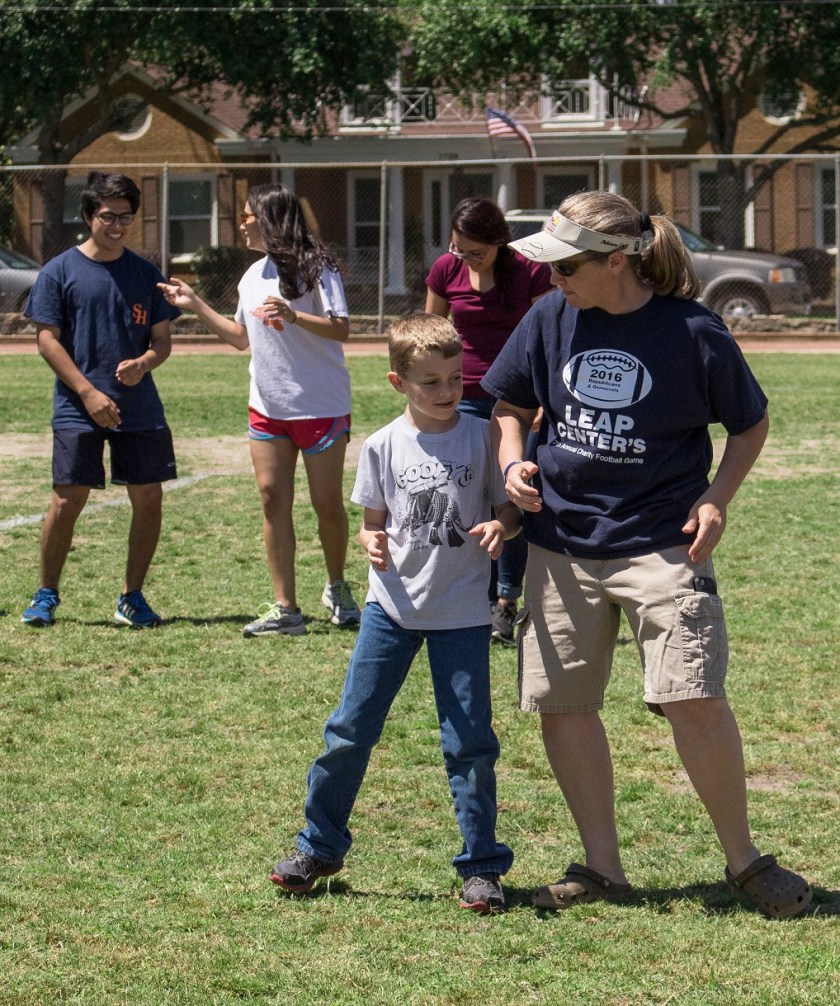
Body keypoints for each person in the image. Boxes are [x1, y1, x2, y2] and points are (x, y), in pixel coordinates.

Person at [481, 191, 812, 919]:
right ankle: (602, 867)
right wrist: (512, 464)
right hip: (561, 543)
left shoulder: (693, 331)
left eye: (567, 266)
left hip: (663, 541)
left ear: (617, 261)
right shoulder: (548, 317)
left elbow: (749, 425)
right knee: (564, 706)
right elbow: (509, 407)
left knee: (693, 695)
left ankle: (745, 861)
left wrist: (717, 496)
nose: (553, 278)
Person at [270, 313, 519, 913]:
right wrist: (368, 540)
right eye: (429, 381)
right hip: (392, 610)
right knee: (349, 731)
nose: (446, 392)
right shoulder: (382, 445)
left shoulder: (480, 437)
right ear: (397, 381)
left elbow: (509, 512)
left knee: (469, 742)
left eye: (455, 379)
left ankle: (481, 866)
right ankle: (319, 847)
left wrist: (500, 526)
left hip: (461, 613)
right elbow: (373, 522)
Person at [159, 183, 360, 637]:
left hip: (320, 406)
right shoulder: (251, 276)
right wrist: (194, 305)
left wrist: (292, 315)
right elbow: (239, 337)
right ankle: (286, 608)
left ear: (271, 220)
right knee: (272, 500)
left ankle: (338, 586)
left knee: (327, 504)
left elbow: (342, 328)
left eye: (248, 216)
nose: (242, 223)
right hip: (267, 407)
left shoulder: (318, 267)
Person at [21, 171, 180, 630]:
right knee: (68, 501)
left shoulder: (145, 273)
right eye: (107, 216)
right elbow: (47, 341)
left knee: (149, 499)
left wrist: (145, 364)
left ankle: (132, 597)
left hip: (140, 408)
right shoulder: (59, 272)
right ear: (88, 217)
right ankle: (46, 592)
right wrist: (88, 392)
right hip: (78, 405)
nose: (116, 225)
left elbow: (162, 340)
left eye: (125, 217)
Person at [425, 197, 553, 644]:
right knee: (466, 499)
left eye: (475, 252)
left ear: (500, 242)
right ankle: (471, 597)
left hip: (519, 401)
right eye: (460, 249)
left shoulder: (529, 271)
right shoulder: (446, 268)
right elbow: (429, 333)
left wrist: (542, 400)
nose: (466, 259)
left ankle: (506, 601)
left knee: (513, 500)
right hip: (461, 398)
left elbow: (550, 333)